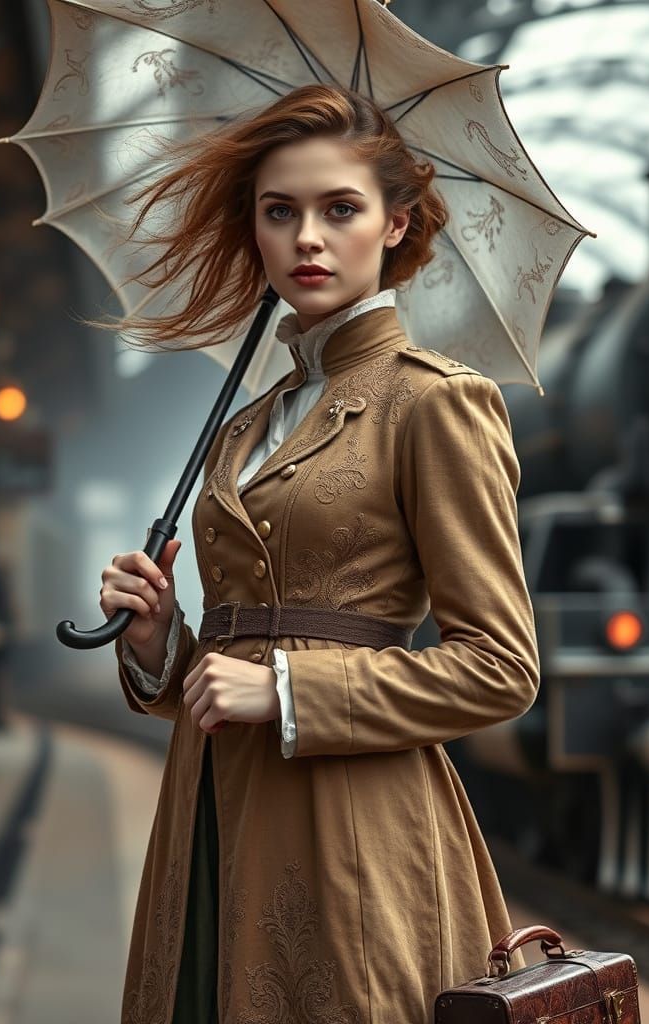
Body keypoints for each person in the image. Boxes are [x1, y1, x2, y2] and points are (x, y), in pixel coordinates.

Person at [98, 83, 540, 1024]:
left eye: (340, 209)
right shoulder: (246, 424)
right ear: (254, 231)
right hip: (211, 811)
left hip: (354, 829)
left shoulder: (435, 402)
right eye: (279, 212)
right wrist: (158, 645)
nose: (307, 238)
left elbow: (500, 669)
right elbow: (231, 662)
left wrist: (291, 691)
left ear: (395, 226)